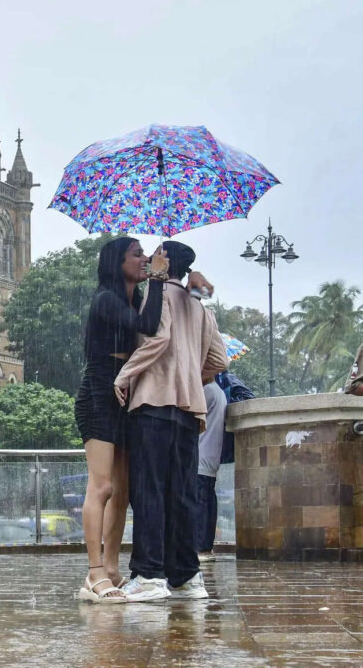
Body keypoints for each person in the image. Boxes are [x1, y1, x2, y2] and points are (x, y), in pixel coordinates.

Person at [114, 241, 227, 602]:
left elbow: (156, 340)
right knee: (182, 494)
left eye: (155, 253)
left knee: (149, 491)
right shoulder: (200, 308)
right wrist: (192, 376)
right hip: (190, 410)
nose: (148, 258)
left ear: (166, 261)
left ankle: (148, 574)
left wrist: (125, 374)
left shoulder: (155, 294)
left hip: (154, 402)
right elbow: (219, 360)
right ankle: (186, 576)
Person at [74, 237, 168, 603]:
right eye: (137, 254)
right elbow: (148, 324)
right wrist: (158, 279)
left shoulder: (135, 298)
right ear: (118, 262)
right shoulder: (106, 299)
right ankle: (94, 573)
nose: (145, 259)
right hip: (99, 394)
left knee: (123, 491)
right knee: (102, 487)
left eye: (146, 254)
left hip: (125, 394)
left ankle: (112, 568)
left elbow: (152, 326)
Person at [195, 380, 228, 561]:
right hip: (211, 456)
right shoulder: (219, 392)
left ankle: (201, 548)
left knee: (200, 502)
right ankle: (205, 547)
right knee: (207, 501)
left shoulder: (207, 391)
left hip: (201, 454)